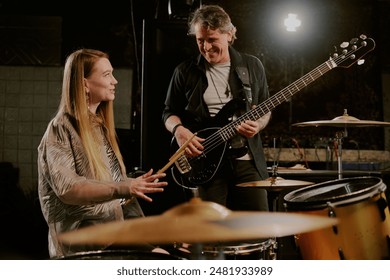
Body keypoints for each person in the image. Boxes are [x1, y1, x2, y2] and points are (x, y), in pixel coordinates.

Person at [37, 48, 168, 258]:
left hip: (111, 241)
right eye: (106, 75)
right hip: (81, 251)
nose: (114, 81)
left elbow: (114, 191)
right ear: (84, 84)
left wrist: (132, 187)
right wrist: (123, 187)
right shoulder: (60, 128)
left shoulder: (99, 126)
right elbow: (69, 189)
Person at [162, 5, 271, 212]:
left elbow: (265, 108)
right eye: (200, 40)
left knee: (258, 227)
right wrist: (179, 130)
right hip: (205, 162)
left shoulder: (252, 66)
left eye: (212, 40)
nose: (206, 47)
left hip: (246, 160)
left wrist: (257, 125)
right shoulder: (184, 71)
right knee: (211, 233)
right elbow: (168, 112)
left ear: (230, 35)